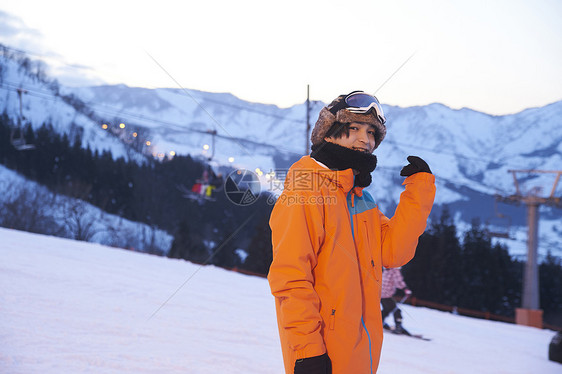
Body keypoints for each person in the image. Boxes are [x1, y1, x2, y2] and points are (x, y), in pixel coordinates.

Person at [267, 91, 436, 374]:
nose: (365, 140)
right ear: (329, 133)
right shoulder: (307, 190)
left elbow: (394, 252)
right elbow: (290, 278)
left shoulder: (360, 199)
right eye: (354, 128)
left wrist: (418, 190)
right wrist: (307, 352)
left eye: (372, 132)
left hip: (362, 353)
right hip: (322, 354)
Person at [380, 267, 412, 334]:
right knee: (396, 310)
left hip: (380, 295)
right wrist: (405, 289)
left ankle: (379, 322)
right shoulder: (394, 270)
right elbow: (399, 282)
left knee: (387, 310)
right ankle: (398, 327)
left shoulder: (386, 270)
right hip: (387, 295)